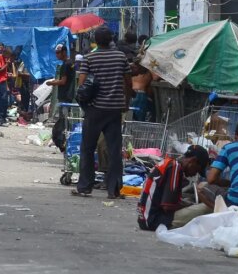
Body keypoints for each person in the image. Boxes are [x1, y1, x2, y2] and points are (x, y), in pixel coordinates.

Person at [73, 26, 132, 199]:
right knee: (114, 150)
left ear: (96, 42)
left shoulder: (89, 58)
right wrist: (125, 102)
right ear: (111, 39)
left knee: (87, 148)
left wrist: (85, 103)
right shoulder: (121, 57)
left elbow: (82, 84)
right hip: (114, 109)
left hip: (94, 109)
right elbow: (127, 83)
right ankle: (114, 189)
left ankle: (85, 186)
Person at [137, 145, 210, 231]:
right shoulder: (175, 168)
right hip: (154, 221)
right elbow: (167, 206)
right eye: (197, 170)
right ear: (192, 160)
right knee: (207, 208)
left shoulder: (169, 164)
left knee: (192, 205)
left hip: (144, 219)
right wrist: (190, 206)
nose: (195, 174)